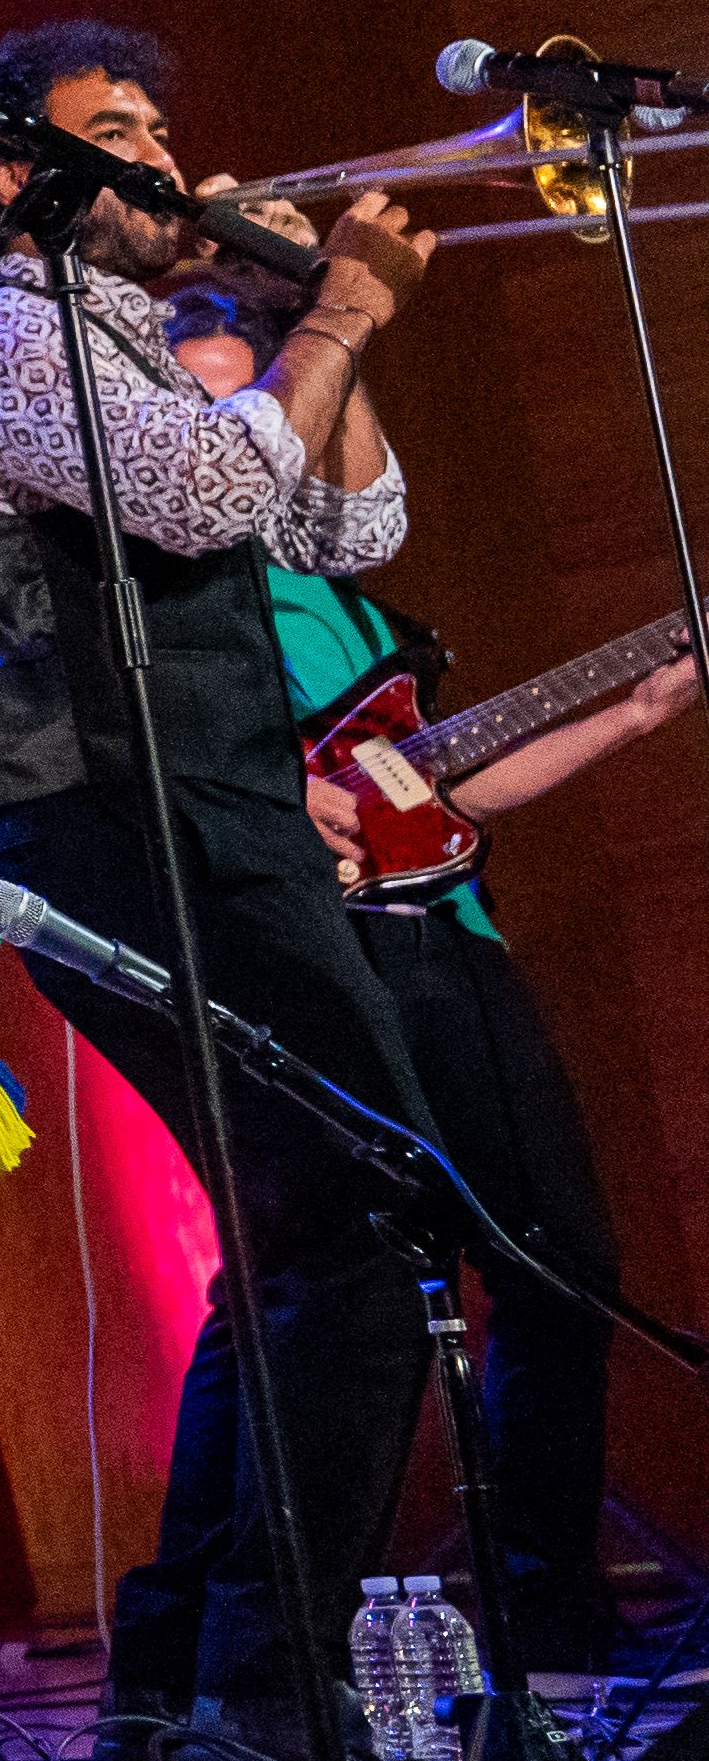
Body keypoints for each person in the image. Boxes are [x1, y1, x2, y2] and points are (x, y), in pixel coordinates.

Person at [0, 22, 434, 1747]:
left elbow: (350, 534)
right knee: (362, 1218)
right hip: (119, 830)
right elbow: (208, 499)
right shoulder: (0, 340)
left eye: (158, 125)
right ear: (16, 174)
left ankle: (190, 1667)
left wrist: (304, 319)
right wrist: (337, 317)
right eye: (116, 130)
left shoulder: (146, 352)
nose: (162, 155)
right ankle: (274, 1690)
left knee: (310, 1237)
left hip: (222, 817)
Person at [168, 291, 687, 1672]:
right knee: (302, 1289)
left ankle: (544, 1597)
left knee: (562, 1264)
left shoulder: (340, 588)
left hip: (449, 938)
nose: (249, 434)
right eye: (208, 408)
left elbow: (429, 788)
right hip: (318, 957)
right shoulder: (171, 602)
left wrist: (631, 717)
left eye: (257, 402)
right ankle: (205, 1643)